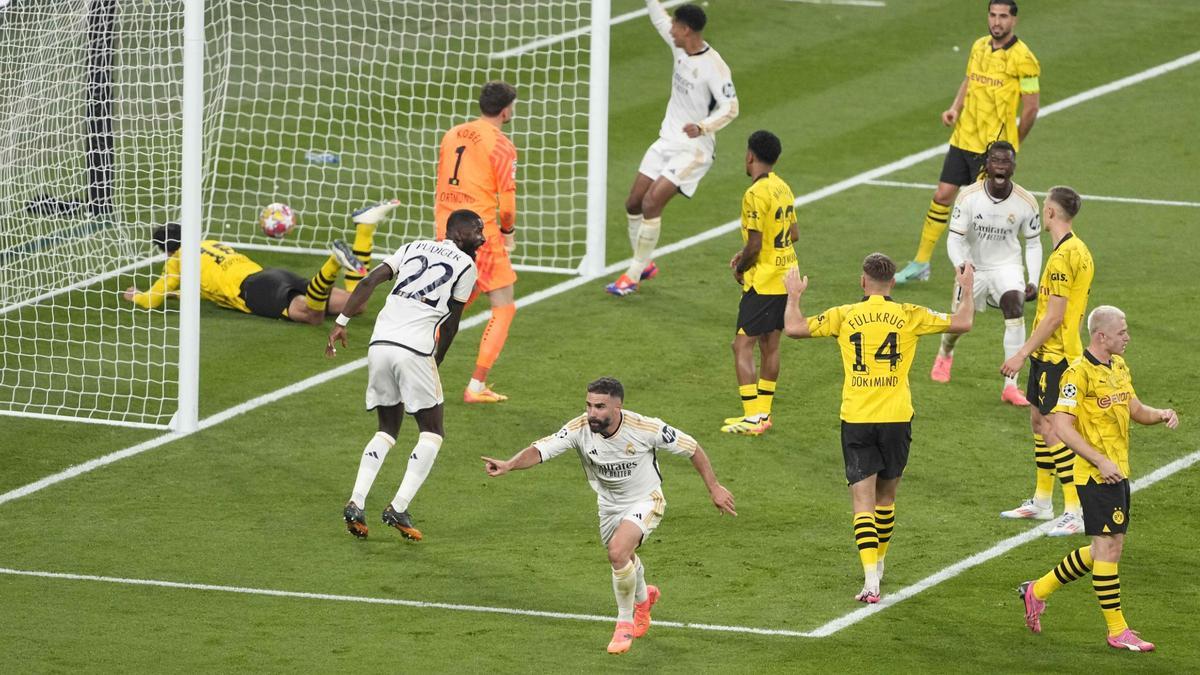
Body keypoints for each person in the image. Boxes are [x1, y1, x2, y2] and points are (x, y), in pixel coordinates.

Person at [481, 377, 736, 654]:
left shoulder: (644, 428)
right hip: (608, 505)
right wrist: (509, 465)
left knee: (617, 552)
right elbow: (541, 449)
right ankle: (643, 600)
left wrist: (714, 488)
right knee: (623, 558)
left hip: (646, 499)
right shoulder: (579, 428)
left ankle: (624, 624)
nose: (592, 413)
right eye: (589, 405)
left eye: (600, 406)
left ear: (618, 407)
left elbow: (692, 448)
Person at [782, 255, 975, 603]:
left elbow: (794, 329)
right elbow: (963, 322)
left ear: (862, 281)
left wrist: (794, 296)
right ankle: (879, 562)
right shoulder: (909, 314)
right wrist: (966, 290)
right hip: (897, 417)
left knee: (862, 499)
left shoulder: (845, 315)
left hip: (857, 417)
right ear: (893, 283)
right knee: (885, 498)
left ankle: (871, 579)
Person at [1019, 306, 1178, 652]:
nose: (1128, 337)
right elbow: (1061, 426)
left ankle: (1037, 591)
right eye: (1122, 332)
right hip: (1095, 474)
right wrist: (1099, 460)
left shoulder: (1118, 366)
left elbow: (1134, 408)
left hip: (1117, 470)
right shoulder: (1077, 374)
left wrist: (1160, 414)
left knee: (1103, 548)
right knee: (1108, 548)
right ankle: (1117, 630)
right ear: (1101, 336)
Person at [329, 209, 485, 542]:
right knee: (432, 432)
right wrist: (436, 360)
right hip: (414, 349)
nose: (482, 238)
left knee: (387, 429)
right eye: (477, 231)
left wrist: (341, 322)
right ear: (458, 233)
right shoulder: (467, 266)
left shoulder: (411, 246)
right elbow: (452, 322)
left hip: (379, 344)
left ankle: (356, 502)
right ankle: (398, 506)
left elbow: (369, 280)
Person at [894, 0, 1040, 284]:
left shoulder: (1024, 58)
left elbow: (1031, 107)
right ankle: (921, 262)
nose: (997, 22)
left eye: (1003, 17)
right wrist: (955, 108)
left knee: (985, 213)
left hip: (993, 149)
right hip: (963, 138)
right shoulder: (979, 46)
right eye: (993, 15)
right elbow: (969, 80)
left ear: (1014, 21)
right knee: (942, 196)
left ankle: (992, 274)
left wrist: (1014, 143)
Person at [606, 1, 738, 297]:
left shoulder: (714, 67)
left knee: (653, 203)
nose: (671, 31)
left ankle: (632, 275)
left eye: (676, 27)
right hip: (666, 141)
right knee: (633, 203)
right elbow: (657, 18)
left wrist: (702, 126)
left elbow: (732, 107)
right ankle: (645, 264)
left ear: (687, 30)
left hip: (694, 150)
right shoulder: (680, 47)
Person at [999, 186, 1093, 536]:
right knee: (1038, 421)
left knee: (1055, 429)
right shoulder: (1080, 250)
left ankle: (1074, 510)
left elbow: (1055, 316)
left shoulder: (1060, 260)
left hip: (1055, 356)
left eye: (1044, 208)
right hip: (1051, 353)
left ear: (1051, 213)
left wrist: (1021, 353)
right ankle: (1042, 502)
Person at [929, 140, 1041, 406]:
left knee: (1015, 308)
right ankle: (946, 352)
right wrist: (961, 266)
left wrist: (1033, 279)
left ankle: (1010, 386)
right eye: (996, 161)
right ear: (987, 165)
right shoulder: (969, 196)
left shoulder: (1026, 201)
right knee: (959, 323)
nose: (1001, 166)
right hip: (973, 266)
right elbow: (954, 238)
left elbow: (1034, 242)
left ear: (1014, 165)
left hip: (1007, 266)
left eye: (1006, 161)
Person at [434, 81, 520, 404]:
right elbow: (508, 206)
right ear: (505, 109)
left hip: (447, 229)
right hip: (479, 233)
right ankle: (476, 385)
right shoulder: (501, 146)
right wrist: (508, 232)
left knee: (449, 306)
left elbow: (441, 182)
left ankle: (417, 366)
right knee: (504, 306)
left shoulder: (451, 134)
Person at [124, 221, 368, 324]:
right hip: (272, 275)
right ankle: (365, 229)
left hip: (255, 291)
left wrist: (136, 295)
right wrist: (177, 294)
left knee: (312, 317)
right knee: (355, 305)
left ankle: (333, 263)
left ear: (166, 251)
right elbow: (211, 283)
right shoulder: (209, 243)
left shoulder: (177, 261)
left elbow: (151, 300)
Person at [721, 130, 798, 435]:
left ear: (750, 155)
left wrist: (741, 266)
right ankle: (764, 414)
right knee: (771, 344)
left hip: (764, 280)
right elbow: (793, 234)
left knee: (741, 345)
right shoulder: (782, 187)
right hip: (787, 274)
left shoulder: (755, 194)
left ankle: (752, 417)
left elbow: (755, 244)